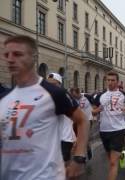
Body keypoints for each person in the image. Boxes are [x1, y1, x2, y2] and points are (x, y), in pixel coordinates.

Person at [0, 35, 89, 179]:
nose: (10, 59)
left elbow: (82, 120)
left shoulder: (53, 93)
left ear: (33, 57)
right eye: (6, 54)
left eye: (17, 54)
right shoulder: (4, 98)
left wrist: (79, 157)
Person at [92, 71, 125, 180]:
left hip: (118, 130)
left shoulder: (124, 95)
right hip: (104, 130)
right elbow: (93, 111)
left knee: (113, 163)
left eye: (113, 80)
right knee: (110, 159)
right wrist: (97, 110)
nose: (110, 82)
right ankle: (122, 155)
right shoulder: (100, 96)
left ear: (117, 82)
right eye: (108, 80)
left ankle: (119, 157)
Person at [47, 73, 77, 166]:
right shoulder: (43, 98)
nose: (51, 88)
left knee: (64, 165)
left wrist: (78, 138)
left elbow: (79, 120)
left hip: (65, 138)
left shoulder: (65, 97)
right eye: (48, 85)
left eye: (54, 85)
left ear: (59, 84)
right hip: (50, 139)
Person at [70, 87, 94, 160]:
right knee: (77, 138)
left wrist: (94, 116)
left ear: (78, 93)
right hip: (77, 121)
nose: (74, 96)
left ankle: (85, 152)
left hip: (87, 120)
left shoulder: (87, 97)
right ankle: (81, 153)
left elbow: (94, 106)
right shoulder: (73, 100)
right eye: (72, 95)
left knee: (84, 138)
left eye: (74, 95)